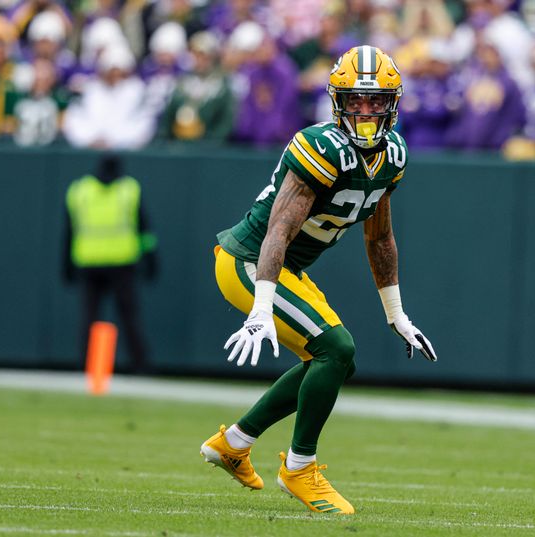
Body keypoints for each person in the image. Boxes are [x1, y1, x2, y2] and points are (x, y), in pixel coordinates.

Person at [200, 45, 437, 515]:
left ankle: (234, 443)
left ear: (393, 103)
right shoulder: (319, 146)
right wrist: (261, 307)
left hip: (285, 267)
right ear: (337, 101)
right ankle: (299, 467)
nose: (365, 111)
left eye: (375, 101)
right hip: (250, 260)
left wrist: (397, 313)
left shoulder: (393, 155)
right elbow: (278, 231)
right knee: (337, 349)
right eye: (356, 100)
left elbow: (380, 237)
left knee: (335, 360)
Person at [63, 154, 158, 374]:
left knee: (89, 316)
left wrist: (66, 265)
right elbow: (144, 228)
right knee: (128, 316)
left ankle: (86, 366)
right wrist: (151, 258)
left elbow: (68, 232)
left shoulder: (80, 190)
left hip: (89, 260)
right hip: (121, 261)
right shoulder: (129, 190)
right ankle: (140, 365)